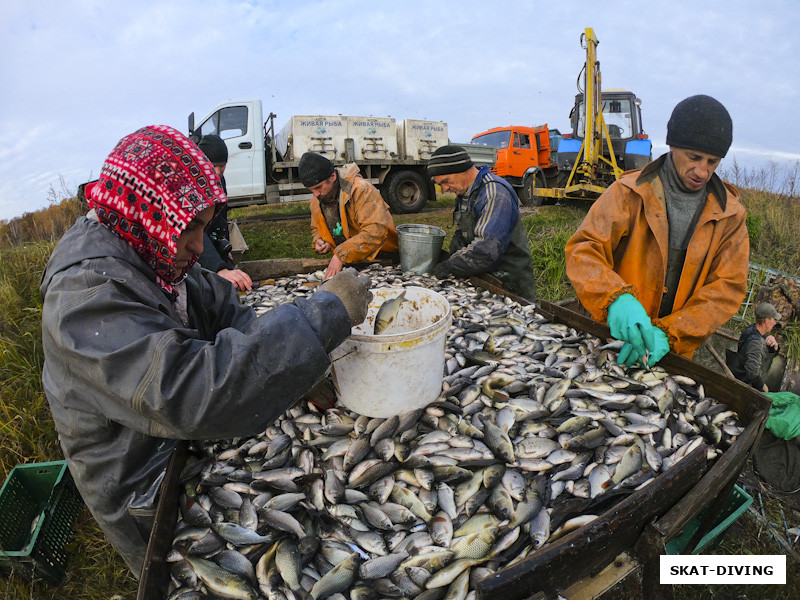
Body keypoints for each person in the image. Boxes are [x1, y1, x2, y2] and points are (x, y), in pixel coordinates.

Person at [40, 125, 372, 577]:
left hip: (183, 447)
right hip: (142, 483)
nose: (199, 247)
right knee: (195, 578)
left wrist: (296, 361)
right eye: (190, 228)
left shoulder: (150, 249)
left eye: (203, 225)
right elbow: (187, 391)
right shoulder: (85, 296)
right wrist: (324, 316)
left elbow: (224, 311)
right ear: (148, 213)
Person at [565, 95, 749, 366]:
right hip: (609, 339)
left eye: (712, 161)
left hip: (670, 355)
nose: (702, 171)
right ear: (673, 146)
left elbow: (726, 289)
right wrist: (615, 299)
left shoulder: (730, 216)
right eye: (694, 157)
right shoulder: (628, 192)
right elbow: (584, 250)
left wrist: (671, 334)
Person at [426, 145, 537, 302]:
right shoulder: (465, 192)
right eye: (440, 185)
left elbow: (487, 250)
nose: (444, 189)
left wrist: (450, 265)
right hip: (484, 276)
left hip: (510, 282)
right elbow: (465, 230)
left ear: (462, 169)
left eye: (445, 181)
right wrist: (457, 243)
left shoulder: (494, 192)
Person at [300, 152, 398, 280]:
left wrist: (341, 254)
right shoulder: (316, 200)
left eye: (318, 187)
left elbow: (375, 232)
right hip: (350, 260)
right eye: (311, 190)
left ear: (333, 177)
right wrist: (320, 241)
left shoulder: (361, 190)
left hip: (383, 256)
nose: (316, 194)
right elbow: (316, 228)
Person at [196, 134, 253, 291]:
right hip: (196, 248)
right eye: (213, 166)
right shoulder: (191, 183)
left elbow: (221, 216)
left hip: (210, 241)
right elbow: (194, 229)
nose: (218, 171)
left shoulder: (220, 180)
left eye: (222, 165)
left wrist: (225, 249)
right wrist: (218, 268)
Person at [727, 302, 782, 392]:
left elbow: (762, 352)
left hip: (738, 375)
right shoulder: (756, 342)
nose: (775, 323)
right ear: (766, 320)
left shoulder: (752, 330)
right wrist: (763, 387)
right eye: (774, 319)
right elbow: (752, 372)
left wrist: (774, 347)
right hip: (744, 384)